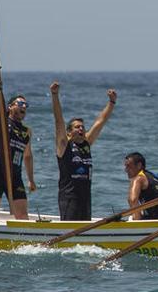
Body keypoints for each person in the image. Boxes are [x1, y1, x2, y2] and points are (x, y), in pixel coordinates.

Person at [50, 81, 117, 221]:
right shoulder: (64, 146)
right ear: (68, 132)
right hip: (69, 198)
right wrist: (55, 95)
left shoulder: (86, 145)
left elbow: (100, 122)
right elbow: (58, 121)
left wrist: (111, 103)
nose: (81, 129)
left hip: (86, 198)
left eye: (82, 127)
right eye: (77, 127)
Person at [0, 62, 36, 221]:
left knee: (23, 215)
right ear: (10, 107)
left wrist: (31, 179)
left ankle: (24, 243)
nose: (23, 107)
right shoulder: (0, 120)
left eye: (25, 105)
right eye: (19, 103)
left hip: (14, 175)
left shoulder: (26, 131)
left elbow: (28, 156)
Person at [124, 152, 158, 220]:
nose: (126, 170)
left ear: (139, 165)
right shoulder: (155, 178)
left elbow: (132, 200)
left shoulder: (138, 178)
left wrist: (137, 220)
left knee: (134, 216)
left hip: (155, 220)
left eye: (128, 166)